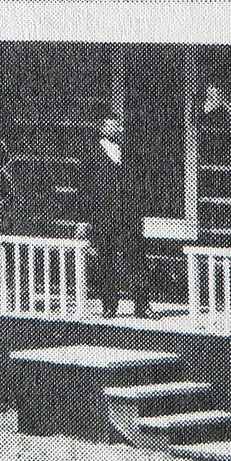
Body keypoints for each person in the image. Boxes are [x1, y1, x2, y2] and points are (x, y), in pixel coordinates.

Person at [76, 114, 149, 317]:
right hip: (103, 218)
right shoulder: (91, 154)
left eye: (118, 125)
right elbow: (84, 190)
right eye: (111, 125)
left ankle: (141, 305)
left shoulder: (128, 154)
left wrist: (138, 211)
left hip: (128, 218)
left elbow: (139, 184)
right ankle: (109, 305)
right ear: (102, 128)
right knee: (105, 261)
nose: (117, 128)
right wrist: (84, 219)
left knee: (136, 259)